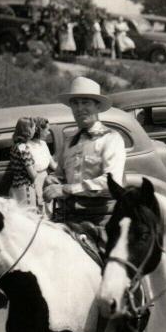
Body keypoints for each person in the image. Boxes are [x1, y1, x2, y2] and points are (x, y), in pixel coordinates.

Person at [43, 76, 125, 225]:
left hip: (101, 219)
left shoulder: (111, 139)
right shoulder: (69, 142)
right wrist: (52, 181)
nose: (80, 108)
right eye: (75, 103)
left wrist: (66, 189)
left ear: (98, 107)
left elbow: (111, 182)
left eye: (85, 102)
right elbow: (61, 176)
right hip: (69, 217)